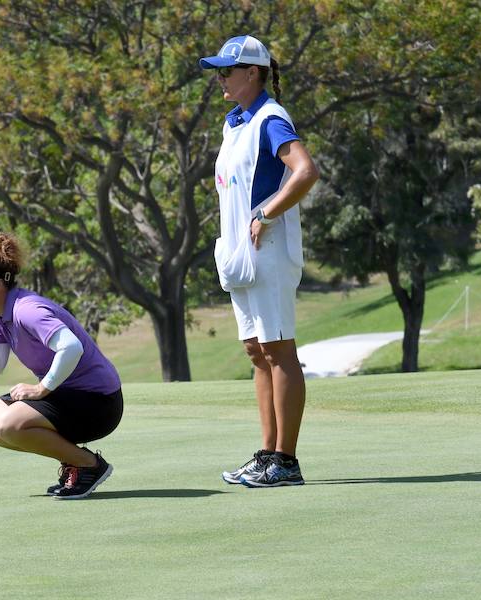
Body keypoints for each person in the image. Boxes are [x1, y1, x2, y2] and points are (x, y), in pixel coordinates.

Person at [199, 35, 320, 487]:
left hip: (268, 251)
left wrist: (266, 213)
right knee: (256, 351)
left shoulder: (271, 119)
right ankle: (267, 453)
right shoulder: (235, 123)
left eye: (226, 71)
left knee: (278, 348)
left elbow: (305, 171)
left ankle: (286, 461)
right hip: (240, 253)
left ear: (253, 73)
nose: (220, 79)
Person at [0, 233, 123, 499]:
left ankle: (88, 465)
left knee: (9, 425)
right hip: (64, 394)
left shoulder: (27, 310)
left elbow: (71, 347)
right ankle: (74, 461)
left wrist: (42, 388)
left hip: (98, 402)